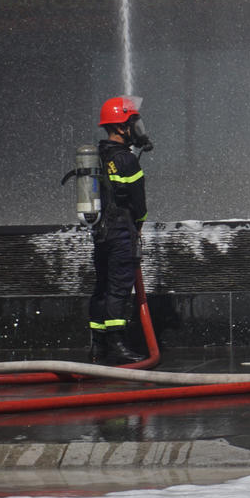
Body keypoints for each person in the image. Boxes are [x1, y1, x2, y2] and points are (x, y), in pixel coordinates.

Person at [91, 96, 154, 365]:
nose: (136, 129)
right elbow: (138, 203)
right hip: (121, 231)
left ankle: (98, 346)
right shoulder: (126, 160)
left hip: (100, 232)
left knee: (102, 287)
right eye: (132, 123)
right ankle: (117, 345)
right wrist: (138, 225)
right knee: (118, 288)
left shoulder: (98, 156)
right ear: (120, 127)